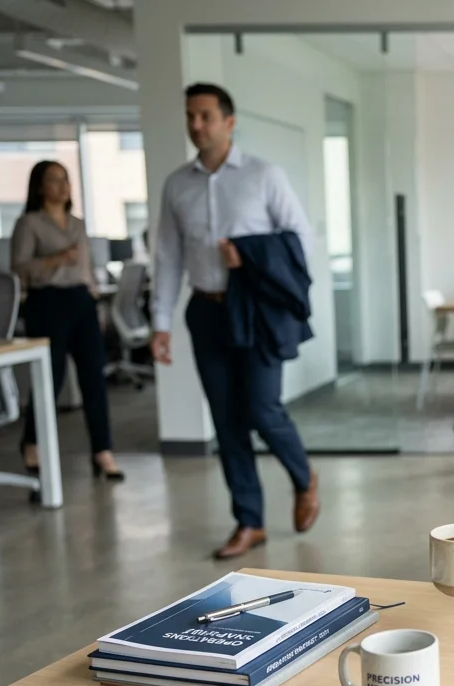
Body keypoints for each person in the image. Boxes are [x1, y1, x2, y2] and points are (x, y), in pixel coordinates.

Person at [150, 82, 320, 560]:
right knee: (226, 422)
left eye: (205, 116)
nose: (196, 125)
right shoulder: (177, 184)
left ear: (229, 121)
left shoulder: (264, 175)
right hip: (205, 310)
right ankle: (250, 521)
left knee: (263, 409)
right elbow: (166, 257)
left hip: (257, 312)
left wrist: (250, 255)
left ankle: (304, 476)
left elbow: (301, 241)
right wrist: (159, 323)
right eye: (190, 116)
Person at [11, 160, 124, 481]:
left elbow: (86, 269)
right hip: (47, 303)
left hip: (81, 302)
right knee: (53, 378)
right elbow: (18, 269)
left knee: (94, 378)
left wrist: (97, 306)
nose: (63, 186)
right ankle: (31, 443)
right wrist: (57, 259)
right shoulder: (29, 224)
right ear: (39, 187)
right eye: (55, 180)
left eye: (66, 180)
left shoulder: (77, 224)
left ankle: (103, 451)